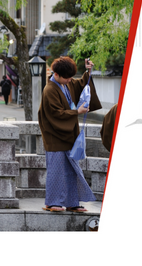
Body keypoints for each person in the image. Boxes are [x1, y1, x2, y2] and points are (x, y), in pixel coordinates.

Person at [37, 57, 102, 213]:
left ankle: (73, 202)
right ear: (57, 74)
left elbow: (82, 84)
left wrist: (88, 71)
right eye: (67, 77)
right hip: (55, 135)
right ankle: (53, 202)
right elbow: (55, 113)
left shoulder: (66, 83)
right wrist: (76, 112)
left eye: (71, 77)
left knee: (72, 170)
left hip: (68, 134)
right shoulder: (50, 89)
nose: (70, 80)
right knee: (56, 170)